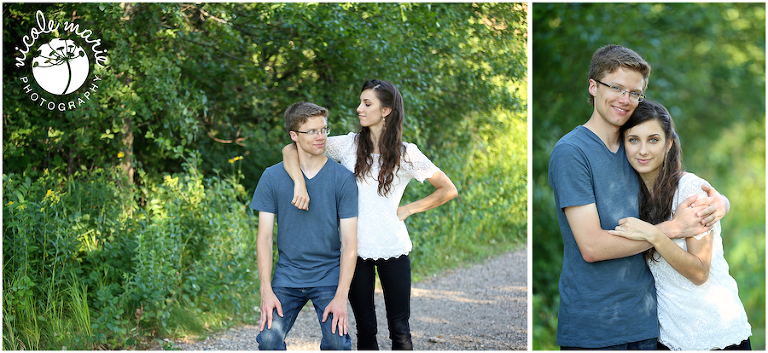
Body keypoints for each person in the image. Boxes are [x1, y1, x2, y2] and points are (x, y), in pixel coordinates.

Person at [547, 44, 730, 350]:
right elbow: (592, 247)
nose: (625, 100)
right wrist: (673, 228)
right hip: (595, 329)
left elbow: (680, 181)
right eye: (616, 88)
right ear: (593, 87)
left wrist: (720, 202)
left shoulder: (635, 148)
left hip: (648, 325)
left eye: (635, 93)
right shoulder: (572, 152)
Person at [281, 79, 458, 350]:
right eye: (360, 102)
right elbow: (291, 148)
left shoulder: (406, 153)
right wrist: (299, 182)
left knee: (400, 329)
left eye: (367, 103)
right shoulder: (348, 146)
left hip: (394, 248)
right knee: (365, 330)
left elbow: (447, 189)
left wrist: (408, 209)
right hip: (354, 252)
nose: (359, 109)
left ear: (386, 110)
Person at [608, 99, 752, 351]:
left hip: (715, 332)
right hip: (669, 336)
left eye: (653, 140)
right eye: (633, 140)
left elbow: (699, 272)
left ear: (669, 144)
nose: (643, 150)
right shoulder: (631, 196)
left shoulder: (690, 190)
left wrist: (654, 234)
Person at [251, 102, 358, 350]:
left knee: (336, 342)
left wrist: (341, 296)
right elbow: (264, 238)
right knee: (268, 340)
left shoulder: (342, 178)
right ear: (293, 136)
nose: (320, 137)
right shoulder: (272, 177)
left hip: (328, 275)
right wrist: (265, 290)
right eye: (311, 132)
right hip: (287, 275)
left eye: (323, 129)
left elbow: (350, 241)